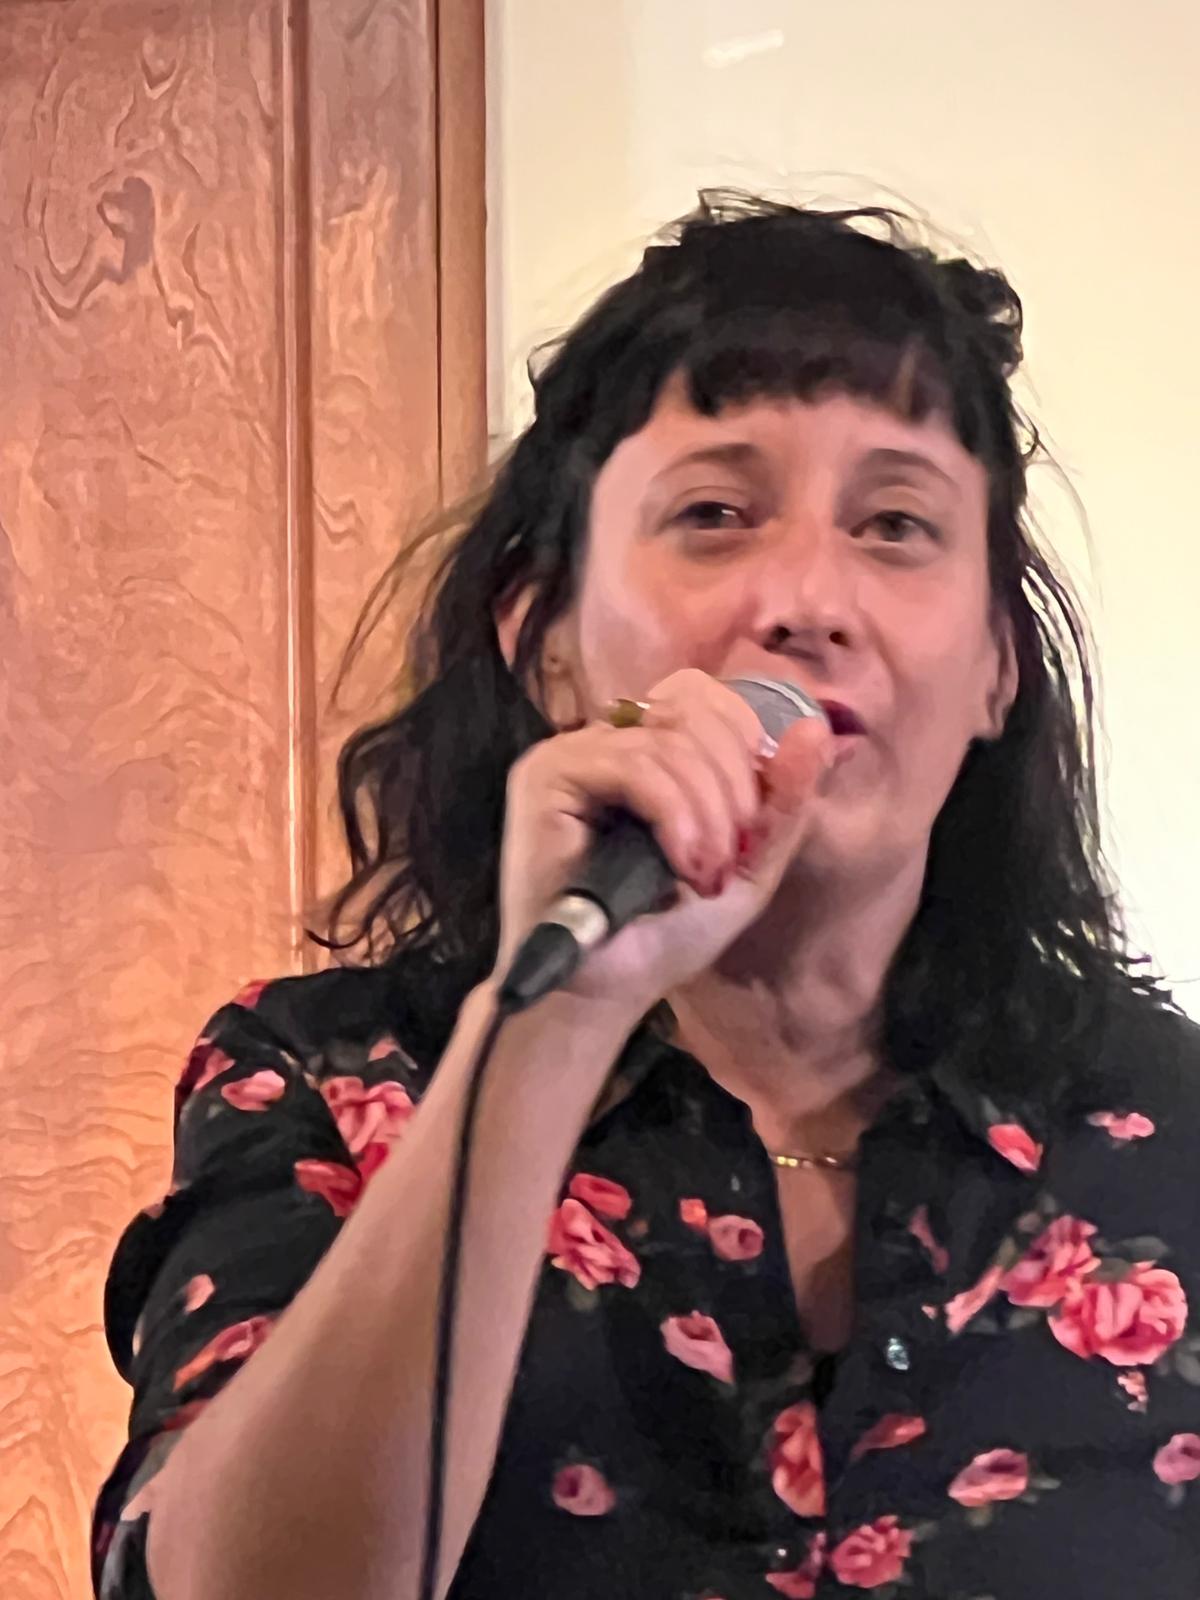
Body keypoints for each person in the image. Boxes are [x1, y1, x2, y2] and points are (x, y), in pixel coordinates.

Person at [92, 192, 1200, 1600]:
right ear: (543, 639)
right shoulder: (329, 1075)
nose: (809, 599)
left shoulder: (1167, 1127)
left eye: (897, 524)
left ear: (996, 667)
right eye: (715, 514)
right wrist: (550, 1027)